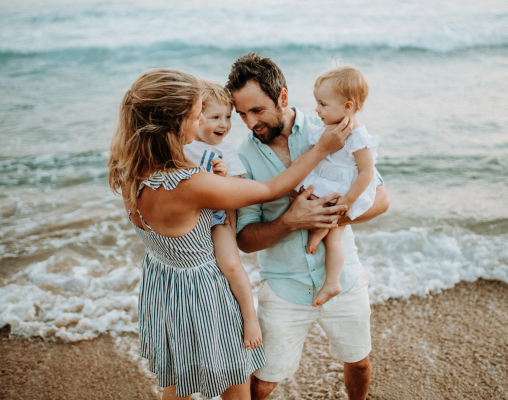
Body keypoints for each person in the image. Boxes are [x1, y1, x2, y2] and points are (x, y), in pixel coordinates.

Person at [107, 68, 353, 400]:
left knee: (178, 379)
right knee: (234, 380)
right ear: (175, 123)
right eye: (196, 117)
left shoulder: (128, 169)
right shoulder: (190, 183)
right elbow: (269, 188)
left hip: (164, 283)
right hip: (205, 291)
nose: (200, 124)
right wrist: (321, 150)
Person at [226, 53, 389, 400]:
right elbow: (244, 239)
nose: (249, 122)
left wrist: (331, 217)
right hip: (284, 288)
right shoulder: (242, 157)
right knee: (265, 381)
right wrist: (290, 221)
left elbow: (381, 198)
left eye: (257, 110)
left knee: (358, 362)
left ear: (283, 97)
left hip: (343, 280)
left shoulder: (330, 126)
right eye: (241, 113)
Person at [184, 78, 262, 350]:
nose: (224, 124)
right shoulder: (182, 146)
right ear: (195, 117)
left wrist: (223, 176)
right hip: (188, 220)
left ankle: (250, 318)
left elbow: (238, 188)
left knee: (230, 264)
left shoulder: (226, 151)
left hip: (217, 220)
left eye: (228, 117)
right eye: (215, 117)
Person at [294, 65, 380, 307]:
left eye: (323, 104)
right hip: (331, 184)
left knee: (334, 238)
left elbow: (366, 172)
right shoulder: (331, 127)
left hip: (346, 191)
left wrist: (349, 200)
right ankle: (321, 230)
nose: (316, 109)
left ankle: (332, 282)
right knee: (307, 197)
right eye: (317, 103)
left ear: (348, 106)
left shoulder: (359, 136)